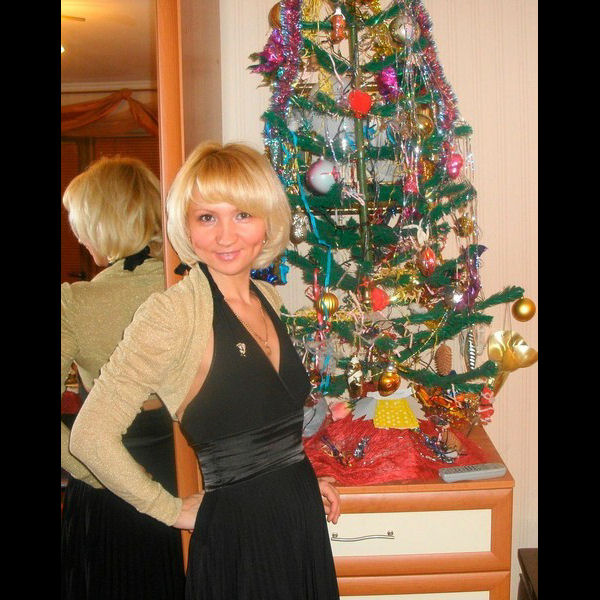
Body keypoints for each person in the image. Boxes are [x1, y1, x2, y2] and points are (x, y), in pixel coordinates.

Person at [70, 142, 341, 599]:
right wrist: (170, 509)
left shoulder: (267, 298)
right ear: (187, 226)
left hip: (297, 521)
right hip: (239, 545)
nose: (225, 236)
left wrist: (304, 478)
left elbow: (265, 425)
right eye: (207, 217)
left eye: (242, 214)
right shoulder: (172, 315)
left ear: (268, 221)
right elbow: (90, 437)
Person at [61, 156, 186, 599]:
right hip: (188, 475)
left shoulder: (76, 302)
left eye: (80, 226)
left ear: (101, 225)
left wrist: (92, 473)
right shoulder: (190, 287)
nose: (78, 238)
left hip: (109, 485)